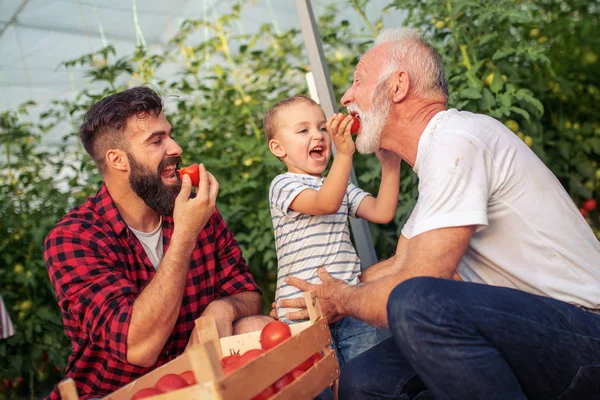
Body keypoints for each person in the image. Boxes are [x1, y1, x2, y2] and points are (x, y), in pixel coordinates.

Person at [279, 28, 600, 399]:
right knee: (364, 380)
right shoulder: (437, 159)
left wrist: (343, 299)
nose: (347, 96)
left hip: (583, 334)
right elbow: (402, 262)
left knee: (419, 303)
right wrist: (320, 292)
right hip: (530, 334)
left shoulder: (456, 141)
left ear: (398, 86)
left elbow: (418, 279)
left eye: (357, 81)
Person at [44, 86, 271, 400]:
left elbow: (245, 291)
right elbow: (138, 348)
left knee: (256, 327)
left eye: (170, 135)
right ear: (117, 160)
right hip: (115, 393)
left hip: (194, 384)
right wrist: (184, 236)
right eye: (156, 140)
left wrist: (221, 308)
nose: (176, 148)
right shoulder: (74, 238)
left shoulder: (196, 211)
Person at [263, 95, 401, 366]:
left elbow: (382, 212)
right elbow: (325, 203)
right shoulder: (283, 185)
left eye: (322, 128)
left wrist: (390, 164)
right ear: (278, 148)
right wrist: (345, 154)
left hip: (348, 306)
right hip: (302, 312)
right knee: (322, 386)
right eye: (303, 130)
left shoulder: (339, 187)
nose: (318, 136)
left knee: (362, 380)